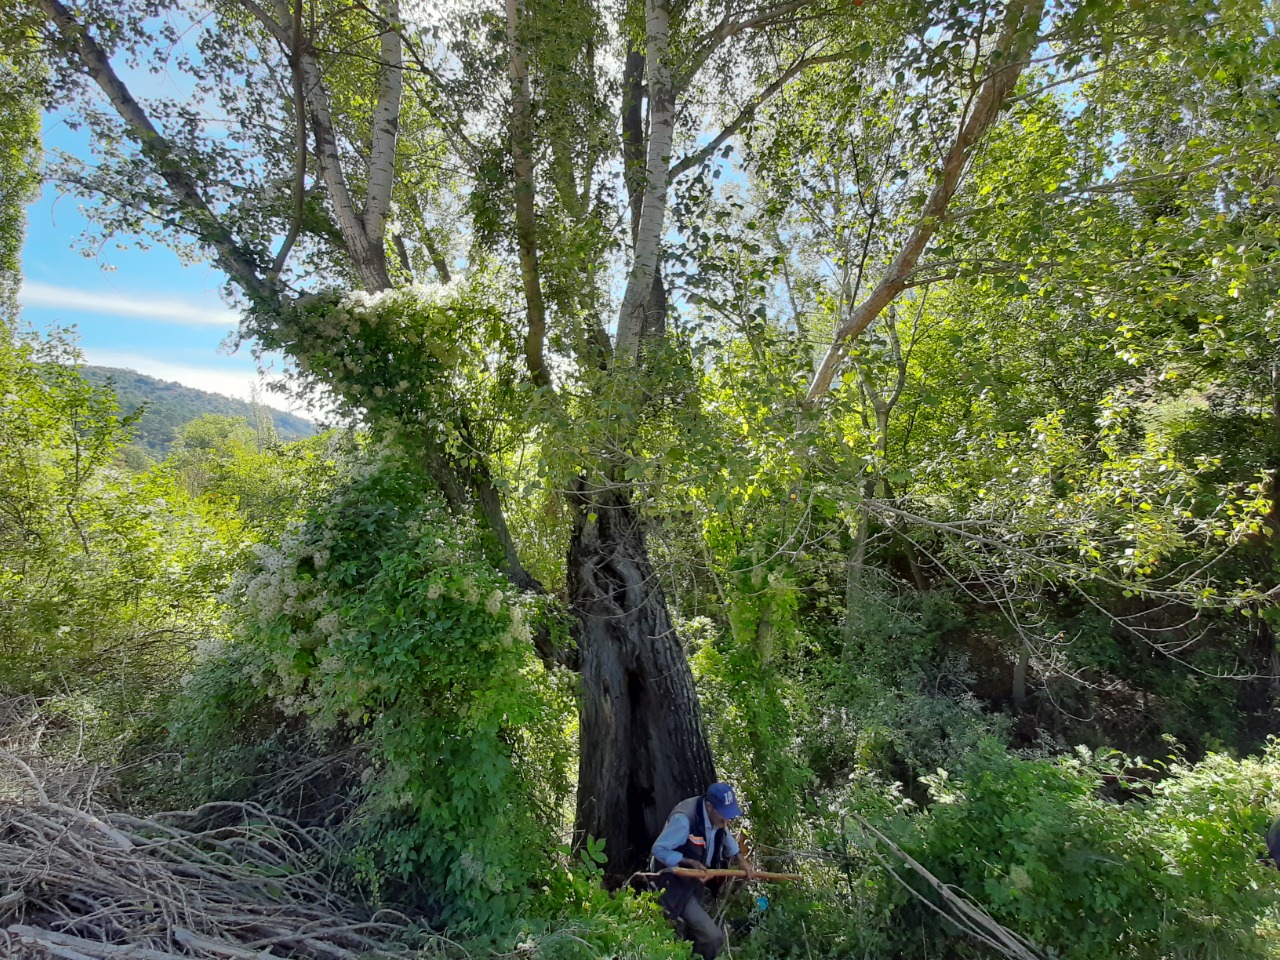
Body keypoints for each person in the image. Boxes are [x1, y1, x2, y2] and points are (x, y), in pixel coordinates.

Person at [651, 782, 758, 960]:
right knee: (712, 937)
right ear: (709, 807)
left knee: (693, 935)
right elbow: (659, 850)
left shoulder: (718, 820)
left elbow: (726, 838)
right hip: (673, 884)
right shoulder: (684, 820)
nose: (728, 820)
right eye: (724, 815)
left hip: (695, 882)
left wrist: (742, 862)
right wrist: (690, 862)